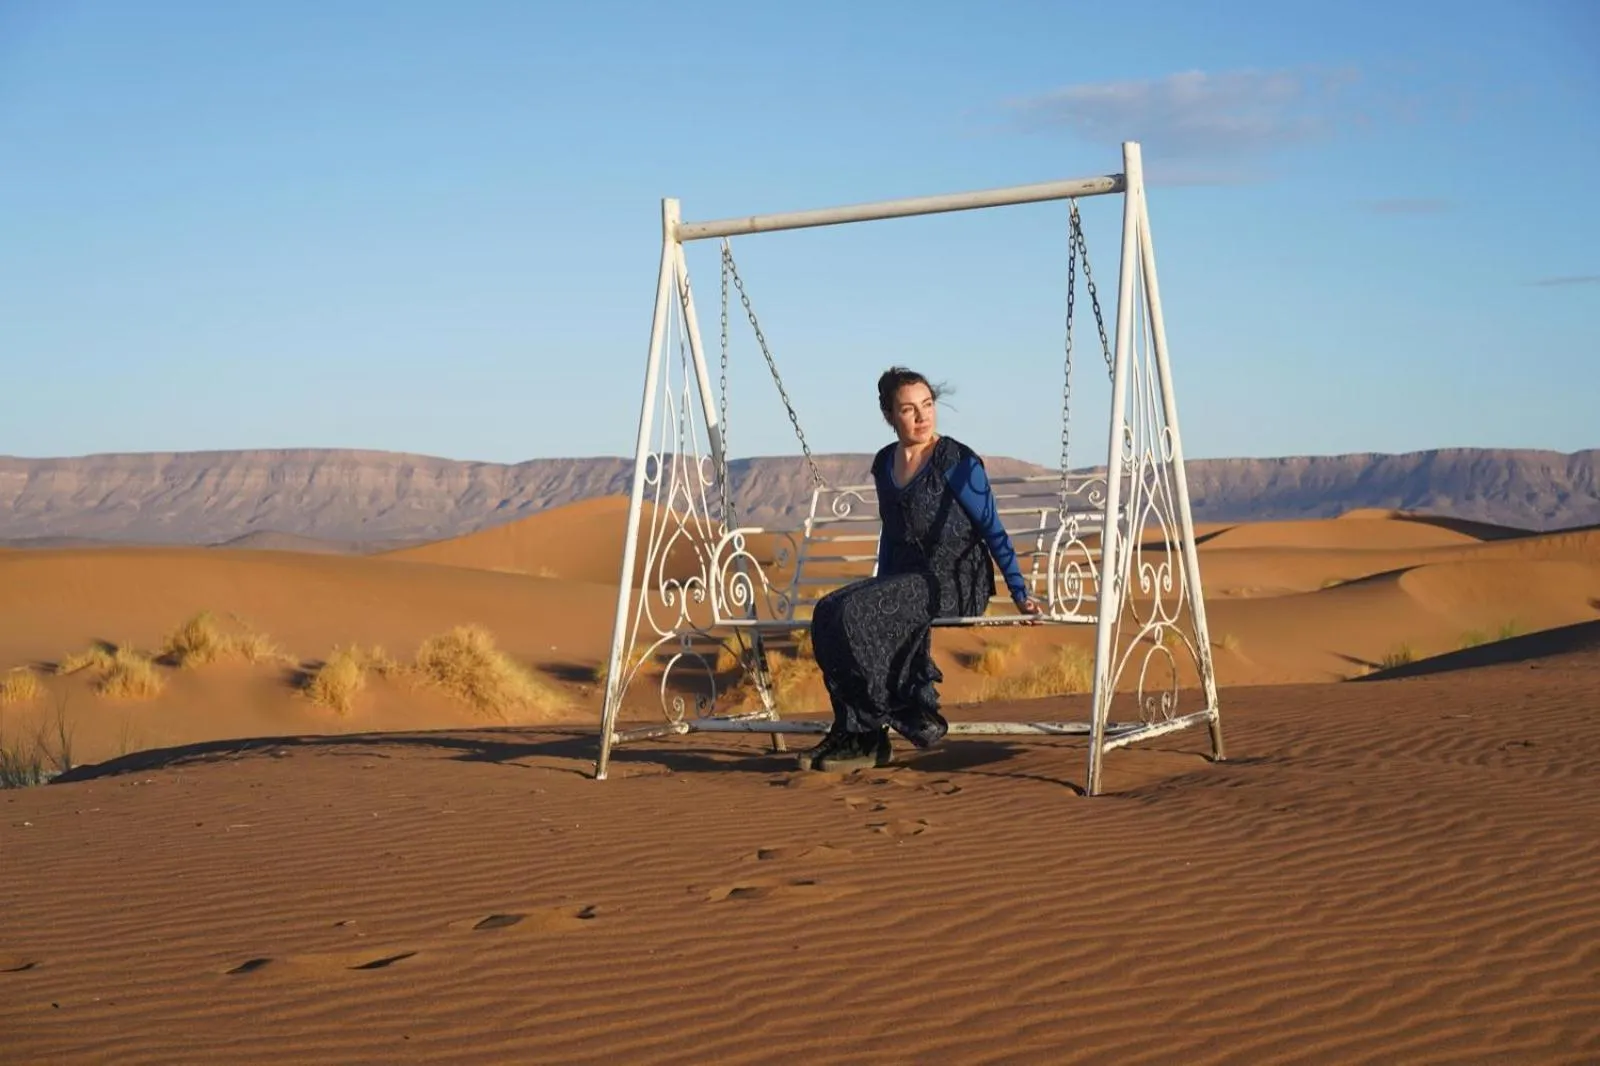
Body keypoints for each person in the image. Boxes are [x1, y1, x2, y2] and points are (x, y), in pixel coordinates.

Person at [798, 367, 1042, 772]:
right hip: (905, 581)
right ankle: (856, 733)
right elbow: (891, 537)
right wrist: (879, 590)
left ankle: (879, 726)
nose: (922, 416)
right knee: (828, 612)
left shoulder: (955, 460)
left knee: (857, 613)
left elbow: (992, 528)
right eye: (908, 409)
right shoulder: (883, 464)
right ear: (890, 416)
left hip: (954, 582)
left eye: (927, 405)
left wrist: (1019, 593)